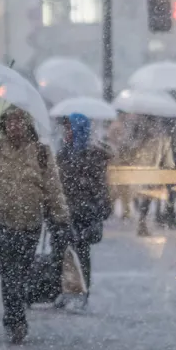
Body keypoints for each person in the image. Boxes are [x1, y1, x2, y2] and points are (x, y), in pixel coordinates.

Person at [0, 107, 70, 343]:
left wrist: (61, 216)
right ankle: (14, 319)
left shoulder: (41, 153)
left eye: (19, 121)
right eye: (10, 122)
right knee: (9, 271)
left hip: (30, 222)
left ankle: (16, 314)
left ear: (27, 125)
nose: (15, 126)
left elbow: (53, 188)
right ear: (4, 125)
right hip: (1, 221)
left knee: (21, 272)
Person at [56, 113, 111, 292]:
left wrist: (100, 206)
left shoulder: (93, 154)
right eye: (66, 128)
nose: (66, 132)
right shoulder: (63, 151)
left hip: (84, 211)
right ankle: (64, 288)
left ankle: (81, 288)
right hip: (65, 210)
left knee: (81, 251)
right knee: (62, 251)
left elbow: (100, 184)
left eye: (70, 128)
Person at [128, 116, 176, 237]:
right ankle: (143, 221)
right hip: (147, 170)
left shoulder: (153, 134)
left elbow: (131, 149)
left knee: (146, 196)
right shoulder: (158, 135)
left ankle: (142, 221)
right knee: (147, 196)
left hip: (147, 170)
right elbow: (167, 156)